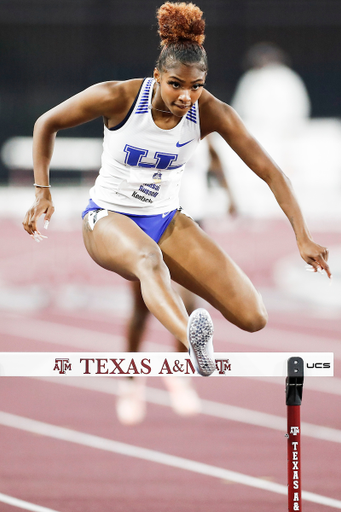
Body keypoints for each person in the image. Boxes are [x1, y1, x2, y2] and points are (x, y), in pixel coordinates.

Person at [23, 2, 331, 382]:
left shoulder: (212, 112)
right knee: (149, 259)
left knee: (253, 317)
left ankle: (196, 338)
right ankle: (191, 340)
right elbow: (46, 123)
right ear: (157, 76)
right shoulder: (118, 97)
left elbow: (271, 172)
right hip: (107, 219)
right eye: (176, 85)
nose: (187, 96)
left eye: (196, 86)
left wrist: (302, 236)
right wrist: (43, 191)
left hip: (166, 219)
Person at [117, 136, 238, 425]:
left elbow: (216, 156)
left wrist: (230, 194)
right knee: (141, 307)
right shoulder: (149, 131)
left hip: (191, 224)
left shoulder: (203, 132)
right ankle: (130, 381)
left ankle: (178, 372)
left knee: (188, 303)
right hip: (149, 221)